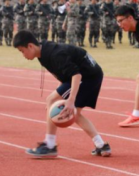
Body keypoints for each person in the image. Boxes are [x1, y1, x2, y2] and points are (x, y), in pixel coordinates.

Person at [13, 30, 111, 158]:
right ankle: (101, 145)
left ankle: (50, 145)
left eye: (22, 51)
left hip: (87, 76)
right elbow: (62, 75)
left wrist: (70, 100)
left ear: (30, 46)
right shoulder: (42, 52)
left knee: (53, 101)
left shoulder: (55, 54)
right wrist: (60, 94)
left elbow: (76, 75)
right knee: (72, 112)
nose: (23, 55)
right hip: (89, 74)